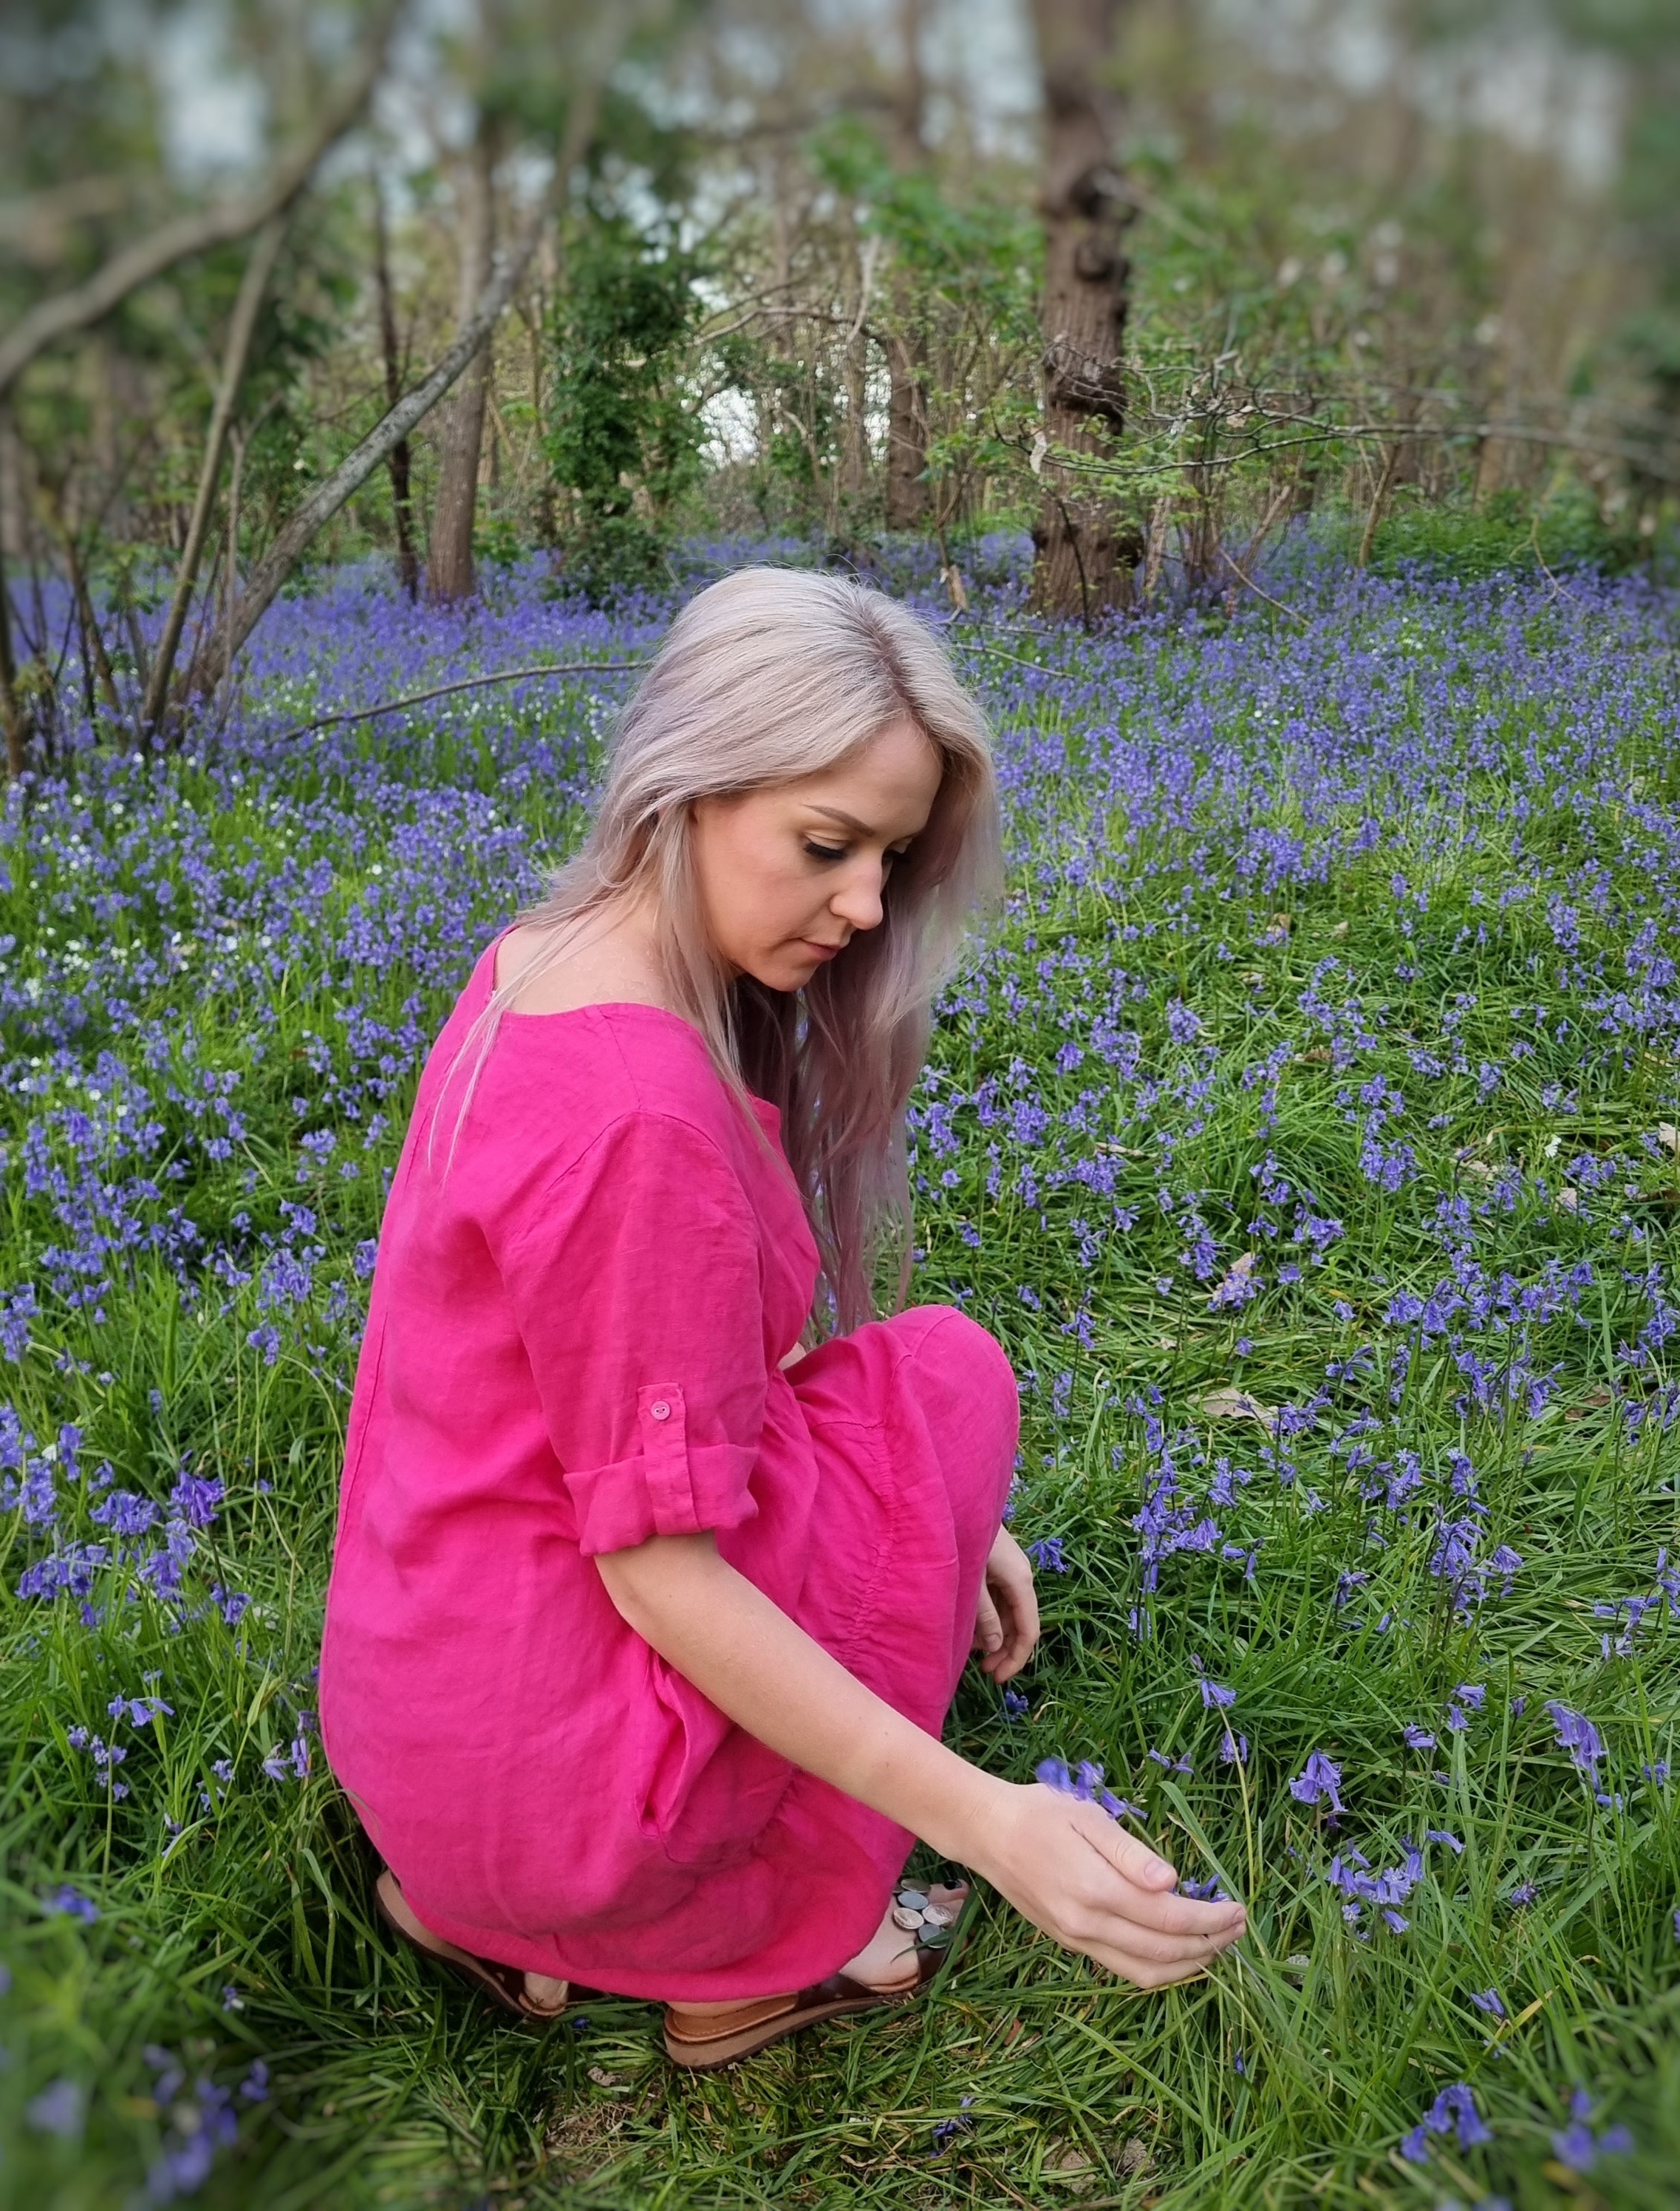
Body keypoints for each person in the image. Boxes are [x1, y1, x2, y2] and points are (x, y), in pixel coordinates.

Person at [320, 567, 1246, 2071]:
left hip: (425, 1745)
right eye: (826, 844)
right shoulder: (643, 1111)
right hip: (566, 1794)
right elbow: (660, 1574)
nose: (870, 903)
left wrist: (949, 1528)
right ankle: (746, 1957)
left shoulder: (527, 971)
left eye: (890, 852)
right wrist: (986, 1814)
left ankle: (506, 1927)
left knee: (892, 1422)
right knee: (939, 1376)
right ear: (686, 784)